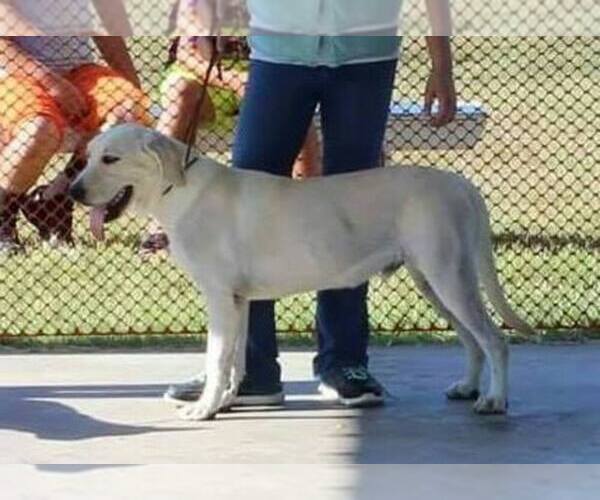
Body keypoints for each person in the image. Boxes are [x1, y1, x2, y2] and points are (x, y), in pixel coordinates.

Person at [165, 0, 457, 408]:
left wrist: (441, 64)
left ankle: (345, 363)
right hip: (277, 55)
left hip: (367, 56)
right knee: (246, 206)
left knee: (354, 209)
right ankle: (250, 370)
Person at [139, 35, 322, 254]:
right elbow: (186, 54)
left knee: (298, 108)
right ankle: (160, 227)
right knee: (181, 91)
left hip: (266, 76)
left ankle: (310, 221)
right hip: (204, 77)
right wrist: (233, 80)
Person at [0, 1, 150, 252]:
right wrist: (52, 83)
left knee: (128, 115)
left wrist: (134, 92)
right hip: (14, 75)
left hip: (79, 71)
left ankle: (53, 199)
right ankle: (3, 218)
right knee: (40, 130)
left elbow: (108, 29)